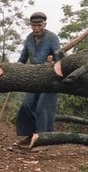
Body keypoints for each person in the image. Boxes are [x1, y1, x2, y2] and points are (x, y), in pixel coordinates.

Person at [15, 12, 61, 148]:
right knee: (26, 106)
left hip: (49, 80)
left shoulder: (52, 38)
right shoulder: (29, 38)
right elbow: (22, 59)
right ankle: (31, 135)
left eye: (39, 25)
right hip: (33, 79)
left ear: (44, 25)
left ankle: (43, 140)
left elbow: (60, 58)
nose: (36, 29)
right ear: (31, 26)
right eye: (34, 26)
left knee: (43, 109)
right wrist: (13, 69)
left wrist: (52, 62)